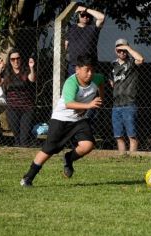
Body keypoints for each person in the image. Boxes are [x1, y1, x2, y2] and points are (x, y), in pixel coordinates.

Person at [20, 55, 104, 187]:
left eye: (92, 70)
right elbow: (69, 104)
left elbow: (101, 82)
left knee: (88, 145)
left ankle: (68, 158)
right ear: (77, 69)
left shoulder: (97, 78)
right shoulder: (71, 83)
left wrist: (100, 98)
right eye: (87, 70)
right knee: (49, 150)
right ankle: (27, 178)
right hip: (61, 119)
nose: (90, 73)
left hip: (79, 119)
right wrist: (89, 106)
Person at [0, 48, 36, 147]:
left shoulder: (26, 70)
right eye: (13, 59)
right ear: (10, 60)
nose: (16, 61)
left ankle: (25, 150)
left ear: (21, 59)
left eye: (18, 58)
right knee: (16, 137)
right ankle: (18, 154)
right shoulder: (7, 72)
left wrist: (32, 67)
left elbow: (32, 79)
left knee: (24, 139)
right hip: (12, 108)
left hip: (27, 108)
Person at [110, 38, 144, 152]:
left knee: (132, 135)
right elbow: (112, 83)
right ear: (116, 50)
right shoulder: (113, 66)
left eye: (124, 49)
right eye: (119, 50)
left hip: (129, 103)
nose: (122, 52)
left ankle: (133, 158)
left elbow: (140, 59)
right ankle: (122, 158)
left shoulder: (131, 63)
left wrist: (128, 48)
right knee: (118, 136)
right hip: (116, 105)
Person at [65, 5, 105, 76]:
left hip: (89, 65)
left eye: (88, 15)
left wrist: (85, 9)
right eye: (83, 15)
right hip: (73, 65)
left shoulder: (93, 28)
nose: (85, 17)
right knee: (74, 86)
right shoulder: (71, 28)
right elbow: (65, 45)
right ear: (79, 16)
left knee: (89, 86)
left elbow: (102, 17)